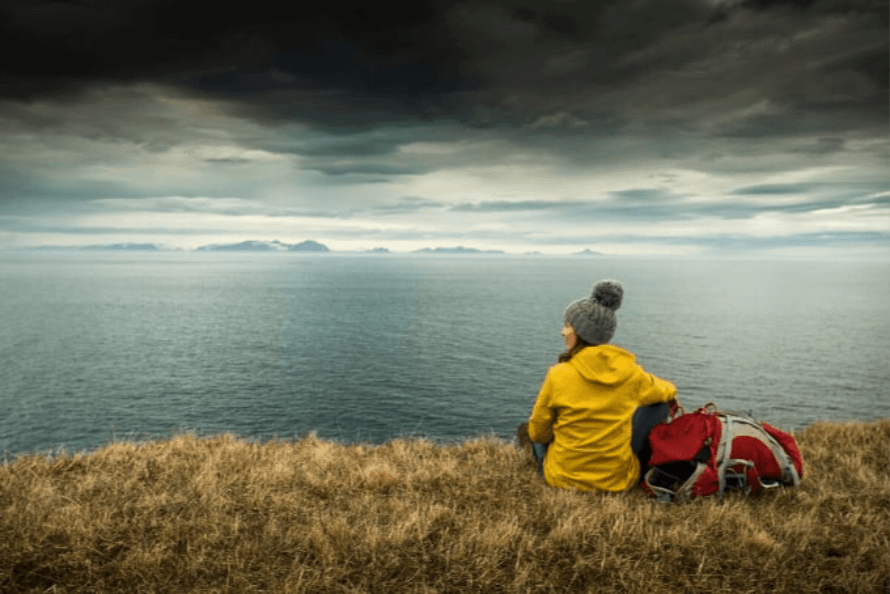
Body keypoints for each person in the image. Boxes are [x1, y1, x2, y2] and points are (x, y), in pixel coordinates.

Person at [518, 279, 678, 493]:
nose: (562, 332)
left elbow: (538, 433)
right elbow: (668, 390)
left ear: (580, 333)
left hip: (563, 479)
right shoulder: (631, 373)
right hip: (616, 481)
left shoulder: (558, 375)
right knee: (659, 405)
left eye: (567, 326)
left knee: (532, 431)